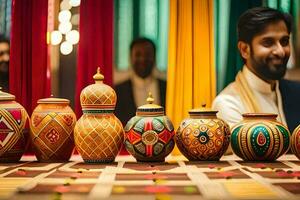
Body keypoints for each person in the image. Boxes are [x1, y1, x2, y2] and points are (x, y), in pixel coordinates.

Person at [212, 7, 300, 133]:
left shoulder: (296, 92)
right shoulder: (229, 104)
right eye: (268, 42)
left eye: (284, 41)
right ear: (244, 50)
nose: (280, 51)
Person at [115, 37, 166, 125]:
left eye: (148, 54)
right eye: (138, 55)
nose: (143, 59)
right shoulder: (117, 91)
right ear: (130, 57)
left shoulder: (167, 88)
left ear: (154, 57)